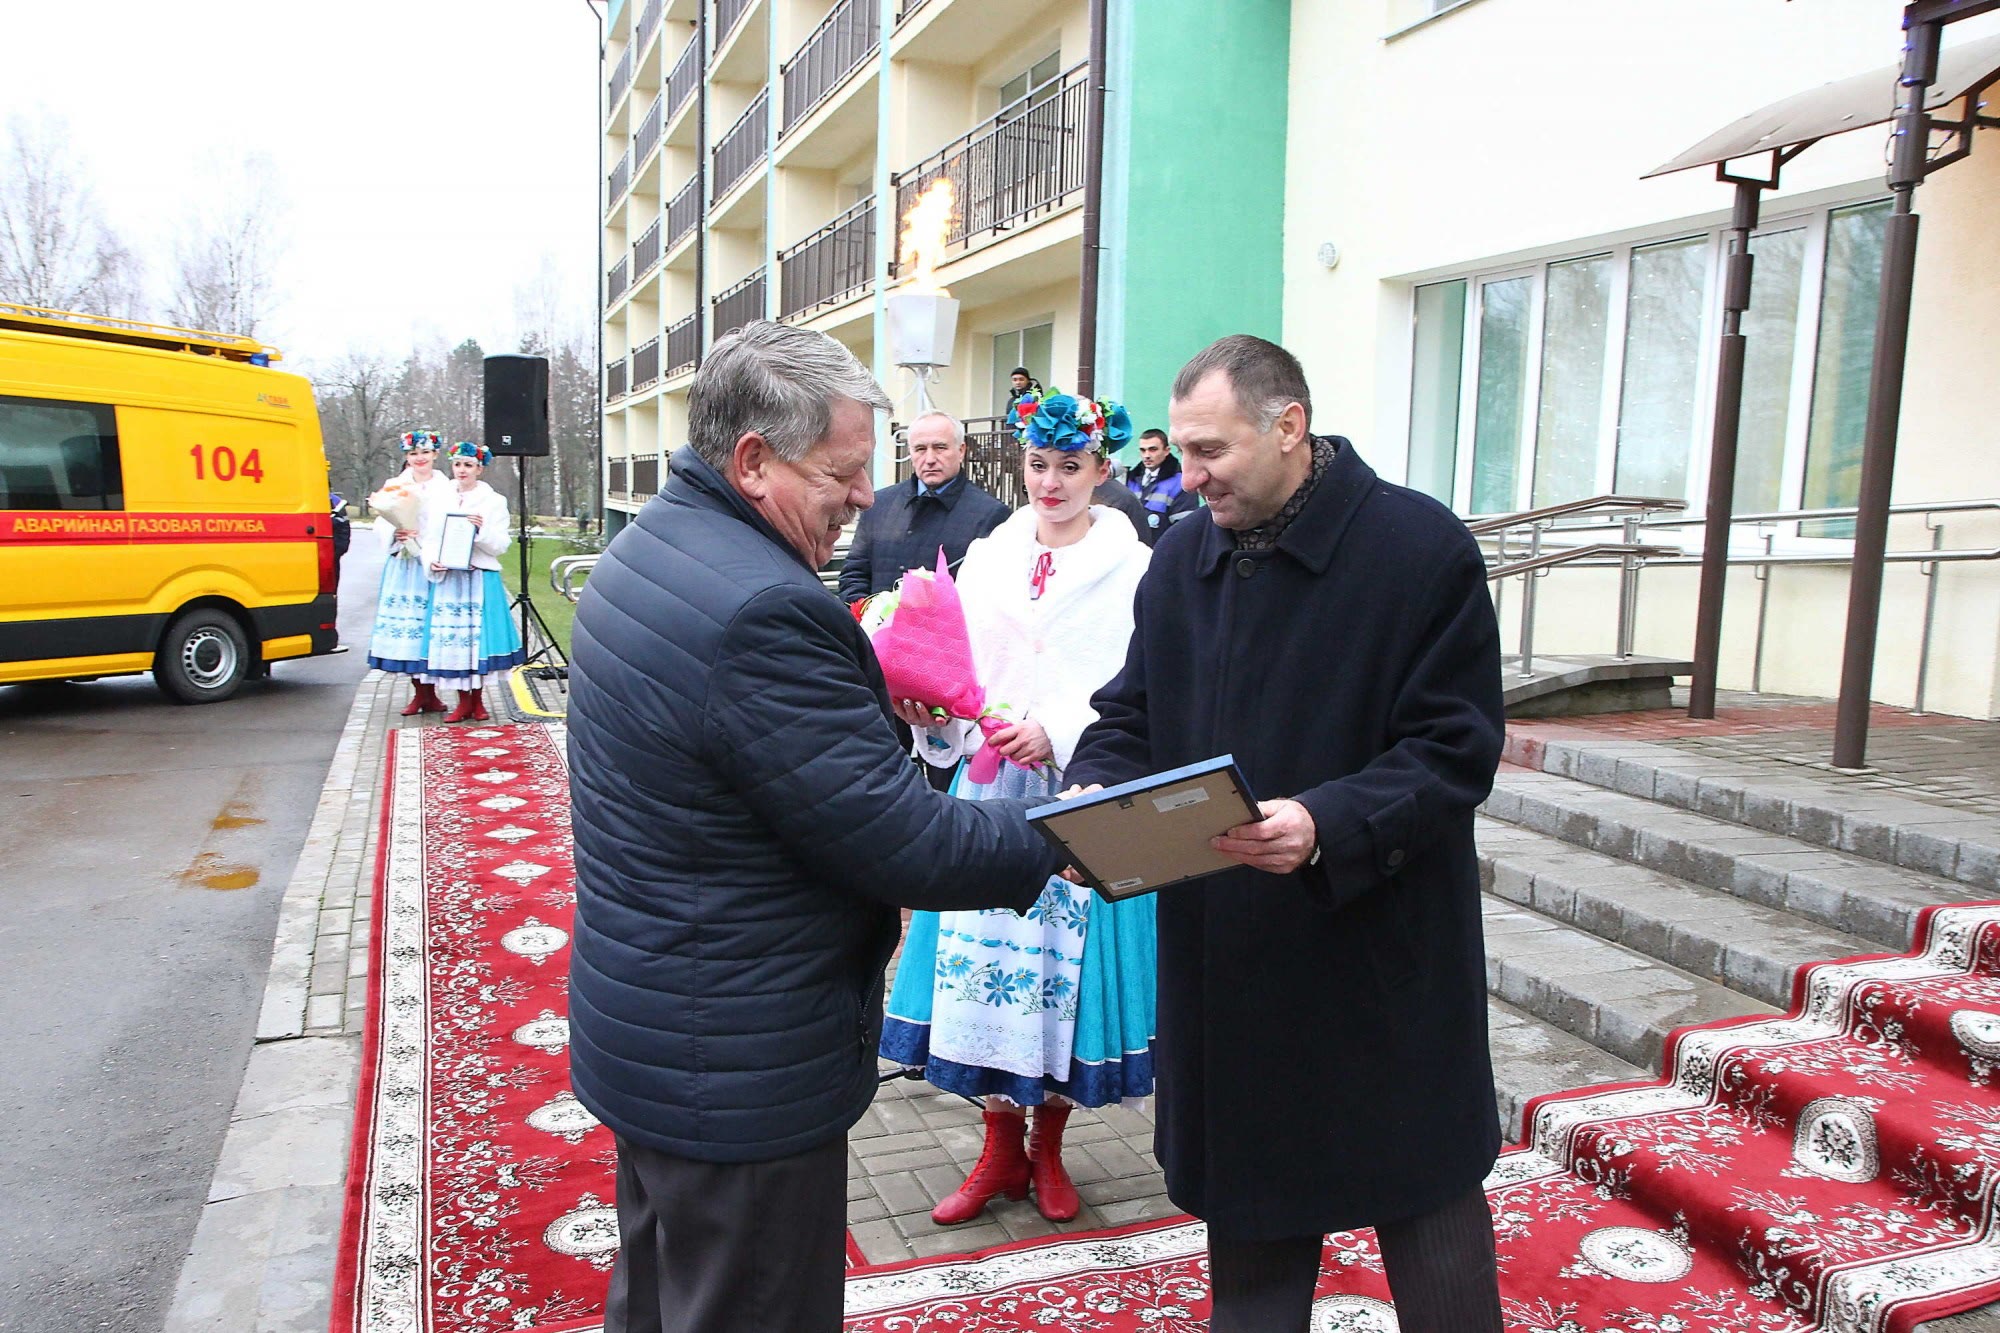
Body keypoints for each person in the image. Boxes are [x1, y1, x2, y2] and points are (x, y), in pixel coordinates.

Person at [564, 320, 1068, 1333]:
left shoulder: (647, 548)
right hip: (740, 1058)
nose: (862, 498)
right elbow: (905, 844)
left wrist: (866, 712)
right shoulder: (764, 609)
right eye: (839, 472)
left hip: (656, 1026)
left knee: (662, 1297)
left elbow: (741, 761)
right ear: (752, 461)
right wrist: (1071, 835)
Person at [1065, 335, 1506, 1333]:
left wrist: (1324, 824)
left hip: (1378, 962)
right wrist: (1097, 786)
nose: (1186, 476)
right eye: (1180, 451)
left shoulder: (1417, 548)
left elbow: (1454, 749)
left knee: (1429, 1229)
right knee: (1253, 1261)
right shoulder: (1181, 553)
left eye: (1209, 450)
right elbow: (1130, 712)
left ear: (1287, 428)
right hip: (1234, 971)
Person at [880, 391, 1153, 1227]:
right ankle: (998, 1146)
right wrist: (930, 709)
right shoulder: (989, 556)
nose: (1053, 482)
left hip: (1082, 794)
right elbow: (960, 664)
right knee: (984, 970)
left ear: (1102, 471)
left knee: (1058, 976)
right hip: (990, 787)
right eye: (1039, 464)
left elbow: (1140, 685)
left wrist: (1062, 729)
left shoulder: (1136, 570)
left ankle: (1050, 1147)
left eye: (1072, 467)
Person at [837, 411, 1007, 604]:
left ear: (961, 451)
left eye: (940, 447)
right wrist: (869, 615)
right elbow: (854, 574)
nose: (930, 458)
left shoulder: (990, 515)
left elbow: (990, 593)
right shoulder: (878, 504)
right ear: (910, 452)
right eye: (920, 449)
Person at [421, 441, 523, 723]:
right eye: (457, 464)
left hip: (478, 575)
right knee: (454, 642)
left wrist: (480, 531)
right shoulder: (440, 499)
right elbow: (429, 538)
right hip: (450, 579)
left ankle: (477, 701)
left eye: (468, 465)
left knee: (477, 642)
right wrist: (432, 561)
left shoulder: (493, 501)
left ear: (480, 469)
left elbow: (501, 544)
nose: (462, 470)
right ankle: (462, 701)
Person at [365, 430, 453, 715]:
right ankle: (420, 692)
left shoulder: (446, 486)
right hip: (406, 563)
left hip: (433, 559)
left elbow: (451, 521)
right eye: (414, 454)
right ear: (407, 457)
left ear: (435, 454)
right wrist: (397, 530)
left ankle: (435, 691)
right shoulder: (395, 485)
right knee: (411, 630)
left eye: (425, 453)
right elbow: (381, 521)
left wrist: (433, 544)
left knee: (434, 626)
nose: (420, 458)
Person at [1126, 428, 1199, 546]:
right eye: (1143, 450)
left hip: (1162, 553)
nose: (1147, 455)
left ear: (1167, 451)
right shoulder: (1131, 479)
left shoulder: (1181, 482)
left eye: (1153, 449)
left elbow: (1185, 530)